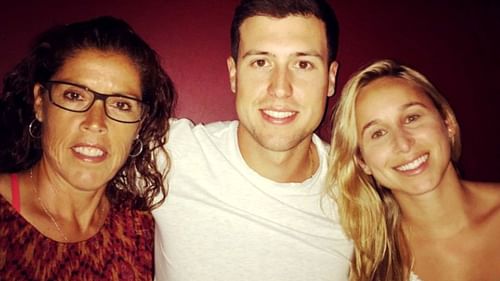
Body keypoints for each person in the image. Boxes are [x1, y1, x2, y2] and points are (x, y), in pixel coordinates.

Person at [153, 0, 352, 280]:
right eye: (261, 62)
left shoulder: (359, 190)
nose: (280, 88)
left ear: (330, 79)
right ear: (234, 74)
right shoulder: (172, 154)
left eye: (303, 64)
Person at [0, 16, 175, 280]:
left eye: (121, 104)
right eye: (74, 96)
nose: (96, 123)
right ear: (40, 103)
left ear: (140, 124)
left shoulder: (141, 228)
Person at [327, 59, 500, 281]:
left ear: (447, 124)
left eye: (412, 118)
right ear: (363, 162)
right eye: (378, 133)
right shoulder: (372, 264)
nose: (403, 144)